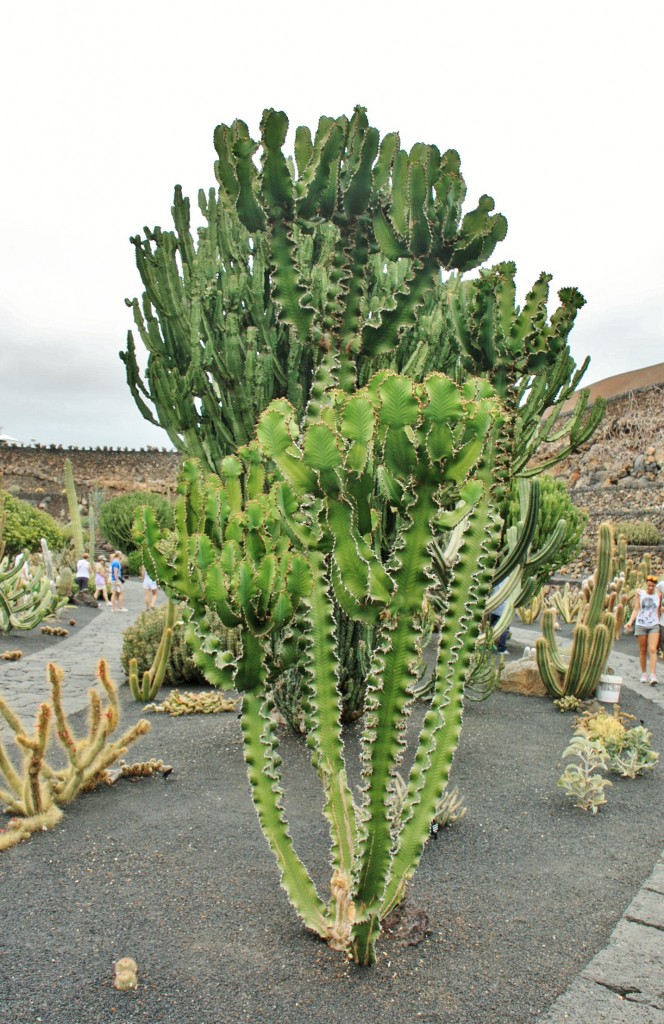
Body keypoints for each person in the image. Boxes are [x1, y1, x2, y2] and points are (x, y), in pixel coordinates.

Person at [625, 575, 662, 685]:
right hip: (641, 624)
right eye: (649, 585)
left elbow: (659, 610)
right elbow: (637, 609)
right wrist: (630, 621)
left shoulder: (658, 595)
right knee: (643, 650)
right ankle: (644, 674)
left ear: (655, 586)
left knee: (653, 649)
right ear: (646, 584)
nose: (650, 587)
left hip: (654, 624)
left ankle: (653, 675)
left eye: (652, 586)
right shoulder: (640, 594)